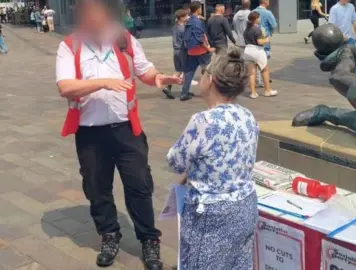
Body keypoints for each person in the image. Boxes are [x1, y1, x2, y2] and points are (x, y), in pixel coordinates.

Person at [55, 0, 182, 269]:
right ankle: (109, 234)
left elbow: (143, 69)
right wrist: (103, 82)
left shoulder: (125, 40)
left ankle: (149, 240)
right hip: (90, 134)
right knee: (97, 189)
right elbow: (65, 87)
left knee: (139, 187)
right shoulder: (70, 46)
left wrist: (158, 77)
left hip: (127, 130)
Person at [167, 47, 259, 270]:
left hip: (212, 212)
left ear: (211, 80)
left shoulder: (203, 120)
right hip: (246, 204)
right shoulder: (246, 114)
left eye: (203, 73)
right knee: (239, 263)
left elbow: (175, 161)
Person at [181, 1, 215, 102]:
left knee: (189, 72)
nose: (201, 10)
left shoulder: (189, 20)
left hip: (191, 50)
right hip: (201, 50)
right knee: (208, 71)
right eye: (200, 8)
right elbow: (200, 38)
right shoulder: (197, 22)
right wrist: (208, 49)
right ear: (197, 9)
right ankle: (209, 92)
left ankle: (184, 93)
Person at [243, 11, 277, 99]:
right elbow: (259, 41)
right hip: (257, 50)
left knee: (251, 73)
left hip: (247, 50)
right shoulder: (257, 29)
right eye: (259, 17)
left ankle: (253, 93)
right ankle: (268, 91)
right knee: (264, 70)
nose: (260, 19)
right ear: (255, 19)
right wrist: (267, 39)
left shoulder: (246, 29)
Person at [162, 9, 189, 99]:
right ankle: (185, 91)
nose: (187, 17)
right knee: (186, 71)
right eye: (186, 16)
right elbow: (186, 41)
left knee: (178, 71)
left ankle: (168, 86)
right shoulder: (183, 29)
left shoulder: (175, 27)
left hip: (176, 51)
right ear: (181, 18)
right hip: (182, 51)